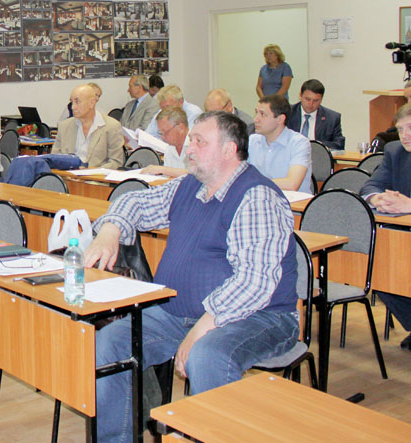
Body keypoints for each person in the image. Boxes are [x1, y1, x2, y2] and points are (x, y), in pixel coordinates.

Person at [86, 111, 298, 442]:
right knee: (110, 343)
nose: (189, 148)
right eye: (191, 140)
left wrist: (202, 327)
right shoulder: (191, 185)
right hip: (179, 314)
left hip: (258, 317)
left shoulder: (257, 197)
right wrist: (110, 230)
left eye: (200, 141)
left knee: (207, 355)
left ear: (229, 150)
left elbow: (254, 284)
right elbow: (135, 203)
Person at [360, 103, 411, 349]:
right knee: (377, 272)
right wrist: (377, 198)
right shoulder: (394, 151)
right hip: (398, 236)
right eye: (400, 129)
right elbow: (370, 186)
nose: (405, 135)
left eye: (410, 128)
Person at [5, 84, 124, 186]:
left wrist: (90, 173)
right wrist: (66, 175)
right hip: (65, 179)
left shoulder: (111, 126)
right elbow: (55, 158)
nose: (73, 107)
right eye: (71, 102)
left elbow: (116, 162)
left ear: (92, 102)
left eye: (77, 102)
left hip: (96, 182)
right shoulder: (65, 126)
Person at [248, 94, 313, 194]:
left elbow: (291, 184)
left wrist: (254, 182)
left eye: (262, 114)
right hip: (260, 198)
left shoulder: (299, 143)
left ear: (280, 119)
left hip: (292, 202)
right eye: (256, 112)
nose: (255, 119)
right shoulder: (253, 140)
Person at [285, 79, 344, 150]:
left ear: (321, 99)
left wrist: (316, 146)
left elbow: (339, 144)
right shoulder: (287, 113)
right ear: (300, 96)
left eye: (316, 101)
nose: (311, 104)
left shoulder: (332, 118)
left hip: (318, 155)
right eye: (307, 99)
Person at [140, 107, 188, 178]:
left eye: (166, 132)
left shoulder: (197, 145)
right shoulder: (169, 149)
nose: (163, 137)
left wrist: (163, 169)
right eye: (161, 133)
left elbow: (195, 175)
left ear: (181, 128)